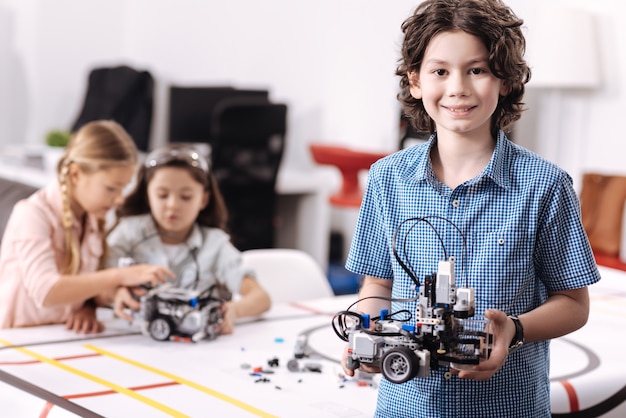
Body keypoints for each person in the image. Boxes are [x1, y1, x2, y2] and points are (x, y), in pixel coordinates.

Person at [341, 0, 601, 417]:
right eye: (440, 71)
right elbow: (378, 287)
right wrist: (368, 334)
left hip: (507, 406)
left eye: (476, 70)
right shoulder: (387, 179)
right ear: (415, 81)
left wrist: (515, 329)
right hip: (406, 406)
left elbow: (574, 303)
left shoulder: (545, 186)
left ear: (505, 80)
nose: (458, 87)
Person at [0, 120, 172, 333]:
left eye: (123, 189)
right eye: (111, 188)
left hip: (62, 337)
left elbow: (86, 283)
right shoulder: (32, 214)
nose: (119, 199)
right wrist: (120, 275)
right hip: (16, 342)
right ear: (76, 174)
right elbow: (45, 291)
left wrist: (91, 305)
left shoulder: (93, 218)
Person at [106, 143, 271, 334]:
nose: (173, 205)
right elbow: (96, 282)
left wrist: (233, 310)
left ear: (203, 200)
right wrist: (114, 293)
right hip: (130, 339)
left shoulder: (214, 244)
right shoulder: (128, 232)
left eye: (185, 197)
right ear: (147, 195)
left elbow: (261, 297)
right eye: (162, 195)